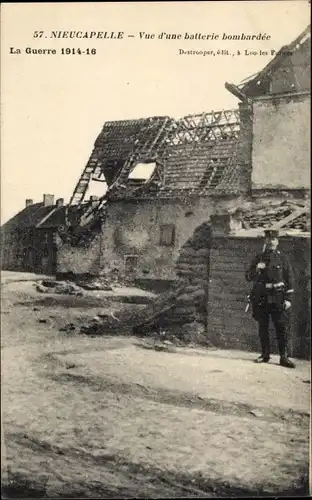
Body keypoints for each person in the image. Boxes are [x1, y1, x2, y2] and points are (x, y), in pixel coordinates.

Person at [245, 228, 295, 368]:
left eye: (273, 239)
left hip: (278, 297)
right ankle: (265, 355)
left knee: (281, 327)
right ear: (265, 241)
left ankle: (283, 357)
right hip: (262, 297)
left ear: (277, 241)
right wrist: (257, 269)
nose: (271, 242)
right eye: (268, 239)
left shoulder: (283, 258)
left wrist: (288, 299)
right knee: (263, 326)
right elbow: (248, 277)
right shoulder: (259, 258)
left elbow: (290, 279)